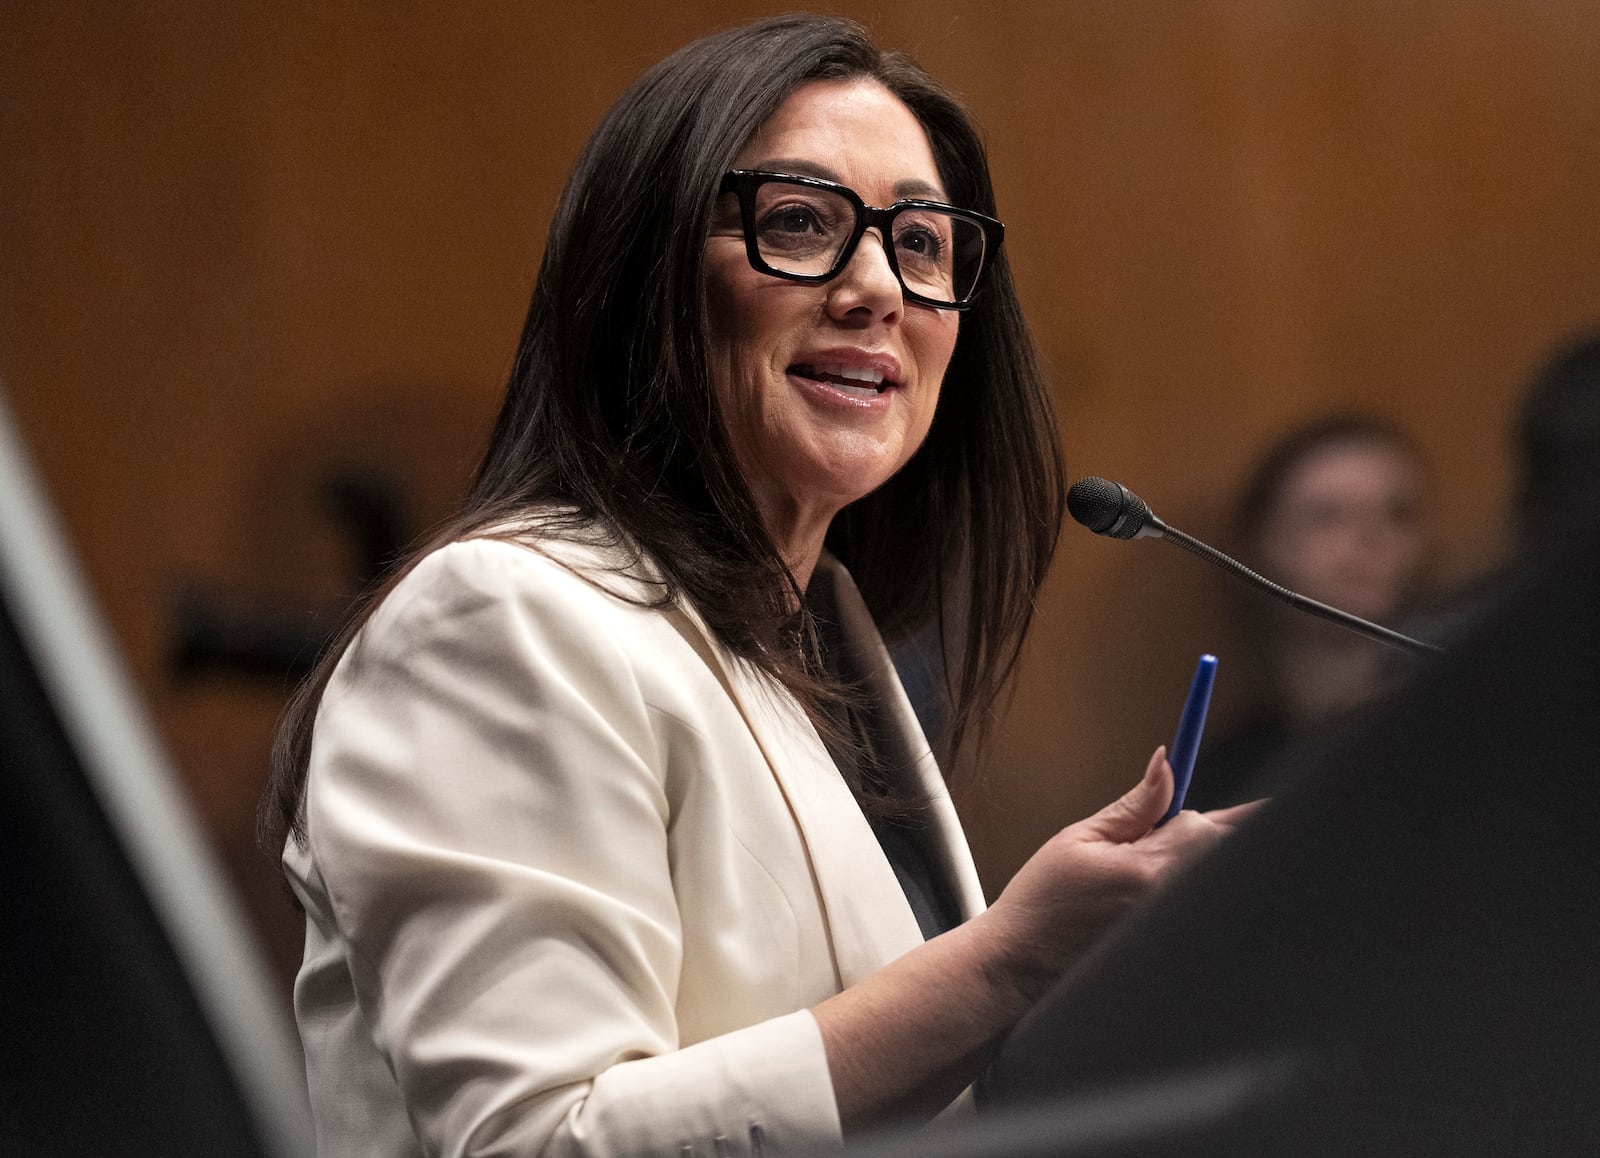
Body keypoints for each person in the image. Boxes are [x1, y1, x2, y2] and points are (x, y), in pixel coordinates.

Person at [260, 15, 1248, 1156]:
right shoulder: (498, 620)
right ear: (645, 282)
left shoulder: (821, 638)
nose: (878, 286)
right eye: (798, 223)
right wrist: (1010, 957)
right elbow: (532, 1144)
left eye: (922, 244)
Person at [1187, 415, 1433, 810]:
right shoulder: (1225, 778)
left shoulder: (1461, 732)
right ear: (1257, 545)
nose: (1371, 537)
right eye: (1328, 517)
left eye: (1396, 513)